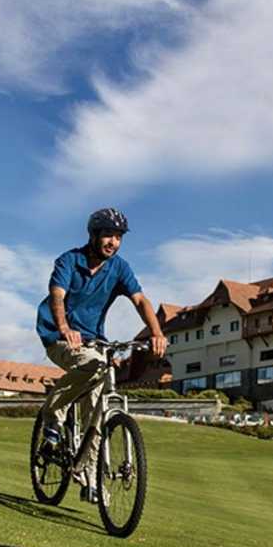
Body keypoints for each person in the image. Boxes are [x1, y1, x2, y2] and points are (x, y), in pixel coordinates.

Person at [35, 208, 167, 498]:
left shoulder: (119, 267)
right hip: (58, 336)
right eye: (108, 235)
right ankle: (54, 414)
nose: (113, 242)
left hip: (95, 341)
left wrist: (156, 332)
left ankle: (88, 473)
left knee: (99, 404)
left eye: (119, 237)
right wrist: (65, 328)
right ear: (93, 235)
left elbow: (141, 300)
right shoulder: (69, 260)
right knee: (92, 365)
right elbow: (57, 296)